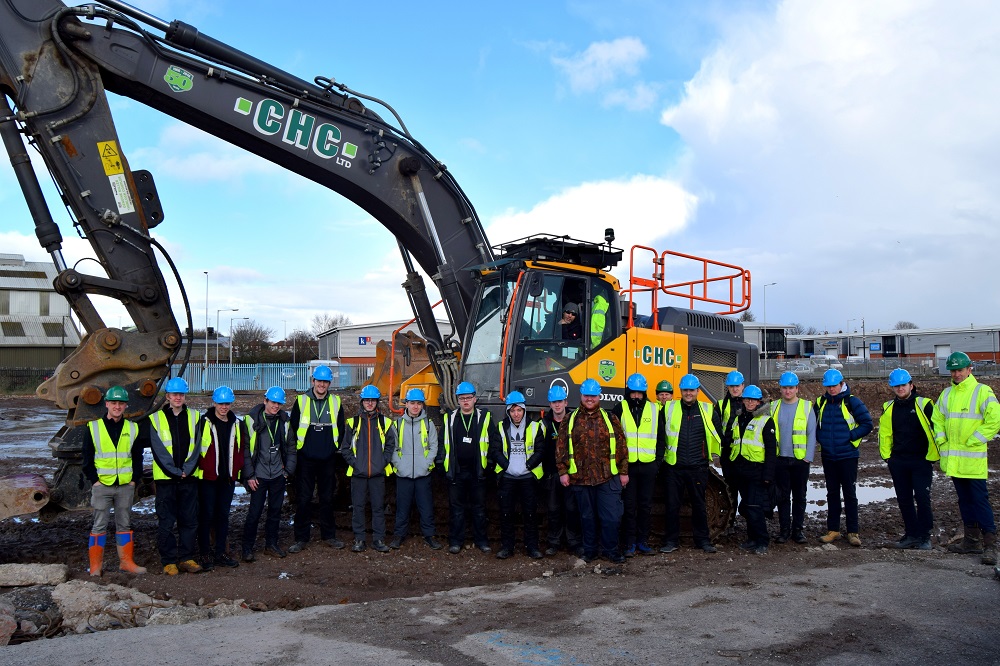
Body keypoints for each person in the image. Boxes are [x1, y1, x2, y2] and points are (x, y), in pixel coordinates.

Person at [932, 352, 1000, 565]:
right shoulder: (947, 394)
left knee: (980, 500)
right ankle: (971, 541)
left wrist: (974, 440)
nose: (956, 374)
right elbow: (938, 419)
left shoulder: (982, 391)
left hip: (972, 459)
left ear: (970, 369)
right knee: (964, 500)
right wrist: (942, 442)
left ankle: (990, 544)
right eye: (953, 370)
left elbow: (994, 419)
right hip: (954, 460)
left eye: (960, 370)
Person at [555, 378, 629, 563]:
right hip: (580, 478)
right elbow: (561, 447)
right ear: (581, 395)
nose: (590, 399)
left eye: (593, 395)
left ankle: (610, 550)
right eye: (587, 395)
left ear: (599, 396)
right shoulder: (570, 419)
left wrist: (623, 471)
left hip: (607, 477)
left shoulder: (610, 418)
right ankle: (590, 551)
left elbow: (621, 446)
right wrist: (563, 471)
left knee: (611, 517)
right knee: (587, 518)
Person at [83, 385, 146, 576]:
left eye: (121, 403)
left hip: (125, 486)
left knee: (124, 524)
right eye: (114, 403)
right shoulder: (94, 428)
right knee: (98, 525)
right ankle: (96, 567)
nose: (117, 407)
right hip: (102, 486)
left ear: (126, 406)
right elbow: (86, 457)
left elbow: (137, 457)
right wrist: (94, 480)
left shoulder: (132, 428)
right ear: (107, 404)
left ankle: (126, 563)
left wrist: (134, 480)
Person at [144, 377, 202, 575]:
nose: (178, 397)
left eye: (181, 394)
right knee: (166, 521)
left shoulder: (195, 417)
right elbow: (159, 450)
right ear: (167, 396)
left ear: (185, 396)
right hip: (166, 480)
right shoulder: (156, 419)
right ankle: (168, 561)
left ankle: (186, 557)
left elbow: (197, 447)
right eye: (174, 394)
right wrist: (176, 472)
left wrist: (188, 470)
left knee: (189, 520)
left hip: (189, 478)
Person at [287, 365, 347, 553]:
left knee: (327, 498)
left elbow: (341, 428)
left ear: (329, 383)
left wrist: (332, 449)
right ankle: (301, 538)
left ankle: (329, 535)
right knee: (304, 499)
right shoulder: (301, 401)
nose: (322, 384)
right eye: (319, 381)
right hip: (306, 459)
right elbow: (294, 427)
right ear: (313, 381)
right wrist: (301, 451)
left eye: (325, 382)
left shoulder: (336, 402)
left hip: (327, 459)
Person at [660, 374, 722, 554]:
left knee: (699, 505)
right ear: (681, 391)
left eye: (692, 390)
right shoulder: (669, 408)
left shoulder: (708, 410)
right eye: (685, 390)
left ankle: (702, 540)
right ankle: (671, 541)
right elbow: (660, 435)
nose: (688, 393)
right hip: (674, 466)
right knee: (672, 505)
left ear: (697, 391)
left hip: (698, 466)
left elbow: (718, 434)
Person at [815, 369, 873, 547]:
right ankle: (833, 530)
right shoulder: (820, 402)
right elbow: (813, 424)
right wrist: (821, 438)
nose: (831, 389)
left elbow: (867, 424)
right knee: (832, 493)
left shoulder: (852, 401)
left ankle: (852, 532)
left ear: (841, 384)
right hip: (828, 456)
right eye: (828, 386)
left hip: (847, 455)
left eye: (834, 386)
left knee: (849, 494)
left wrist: (850, 436)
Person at [879, 369, 936, 551]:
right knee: (904, 499)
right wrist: (888, 457)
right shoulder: (888, 407)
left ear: (911, 385)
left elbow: (936, 431)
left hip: (921, 461)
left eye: (903, 385)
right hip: (898, 461)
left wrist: (932, 456)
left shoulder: (925, 404)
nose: (900, 389)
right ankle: (911, 534)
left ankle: (925, 536)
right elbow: (885, 433)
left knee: (922, 497)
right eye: (896, 386)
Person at [439, 381, 496, 554]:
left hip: (477, 472)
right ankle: (456, 541)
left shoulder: (484, 418)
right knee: (456, 510)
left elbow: (493, 442)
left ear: (474, 399)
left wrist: (489, 466)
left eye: (468, 398)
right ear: (457, 400)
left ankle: (481, 541)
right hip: (456, 472)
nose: (465, 401)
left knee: (479, 509)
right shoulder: (449, 418)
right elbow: (443, 444)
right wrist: (443, 466)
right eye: (462, 398)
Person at [197, 385, 249, 570]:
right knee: (206, 516)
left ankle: (220, 553)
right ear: (215, 403)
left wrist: (238, 472)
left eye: (227, 404)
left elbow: (240, 450)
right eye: (221, 403)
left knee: (223, 516)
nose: (224, 407)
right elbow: (197, 450)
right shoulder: (204, 422)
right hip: (208, 479)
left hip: (227, 479)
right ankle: (204, 554)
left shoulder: (237, 424)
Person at [612, 373, 664, 557]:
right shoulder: (620, 408)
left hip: (648, 466)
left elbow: (660, 439)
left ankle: (643, 541)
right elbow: (615, 441)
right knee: (629, 505)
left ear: (644, 393)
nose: (636, 396)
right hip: (629, 468)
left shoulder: (653, 409)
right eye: (633, 392)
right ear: (628, 392)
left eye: (639, 393)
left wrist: (657, 462)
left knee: (645, 505)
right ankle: (629, 543)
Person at [241, 386, 295, 562]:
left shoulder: (284, 422)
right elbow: (245, 450)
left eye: (279, 403)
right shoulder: (251, 421)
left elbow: (291, 448)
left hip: (277, 476)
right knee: (254, 513)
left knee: (275, 512)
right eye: (273, 402)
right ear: (265, 401)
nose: (276, 406)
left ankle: (271, 545)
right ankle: (247, 548)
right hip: (259, 476)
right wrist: (249, 475)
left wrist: (287, 471)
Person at [341, 385, 396, 553]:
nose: (370, 403)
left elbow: (390, 446)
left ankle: (378, 539)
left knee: (378, 508)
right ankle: (359, 539)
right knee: (358, 508)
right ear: (362, 402)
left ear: (377, 402)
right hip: (359, 474)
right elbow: (345, 448)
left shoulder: (385, 423)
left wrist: (382, 463)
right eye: (367, 400)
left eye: (372, 401)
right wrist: (356, 464)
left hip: (377, 474)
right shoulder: (353, 423)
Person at [490, 391, 544, 559]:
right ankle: (507, 547)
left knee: (530, 514)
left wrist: (528, 465)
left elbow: (540, 451)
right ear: (508, 411)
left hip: (528, 478)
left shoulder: (536, 427)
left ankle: (532, 547)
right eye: (512, 411)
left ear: (524, 410)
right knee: (506, 514)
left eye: (519, 410)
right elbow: (495, 451)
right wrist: (507, 466)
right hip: (508, 478)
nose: (516, 414)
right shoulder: (500, 427)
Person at [390, 388, 441, 550]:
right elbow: (392, 448)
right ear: (406, 404)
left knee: (426, 508)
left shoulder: (428, 424)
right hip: (403, 474)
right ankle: (399, 536)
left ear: (422, 406)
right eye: (412, 403)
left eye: (419, 403)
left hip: (423, 474)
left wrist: (426, 464)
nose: (415, 407)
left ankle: (429, 536)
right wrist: (399, 464)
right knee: (402, 508)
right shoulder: (397, 424)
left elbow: (434, 446)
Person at [728, 385, 777, 554]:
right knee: (748, 507)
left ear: (759, 401)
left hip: (757, 471)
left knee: (755, 507)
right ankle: (752, 539)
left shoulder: (765, 421)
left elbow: (771, 451)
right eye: (747, 399)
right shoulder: (738, 418)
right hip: (741, 471)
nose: (749, 402)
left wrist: (768, 475)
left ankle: (762, 541)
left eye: (753, 400)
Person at [770, 372, 816, 545]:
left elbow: (811, 433)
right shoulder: (773, 406)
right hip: (780, 459)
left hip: (799, 460)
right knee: (782, 497)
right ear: (780, 389)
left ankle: (798, 530)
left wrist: (807, 457)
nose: (788, 391)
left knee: (799, 496)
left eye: (791, 388)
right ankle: (784, 531)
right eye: (784, 388)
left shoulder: (806, 406)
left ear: (797, 388)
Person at [539, 385, 582, 556]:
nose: (557, 405)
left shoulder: (574, 421)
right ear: (550, 404)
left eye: (560, 401)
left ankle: (574, 542)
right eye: (554, 402)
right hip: (552, 474)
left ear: (566, 402)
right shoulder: (544, 424)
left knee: (572, 510)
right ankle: (554, 543)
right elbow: (540, 450)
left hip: (571, 474)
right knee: (553, 510)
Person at [714, 371, 745, 534]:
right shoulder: (720, 405)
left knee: (747, 489)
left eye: (737, 386)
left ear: (743, 386)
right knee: (731, 489)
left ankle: (750, 523)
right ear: (728, 387)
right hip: (728, 452)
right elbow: (715, 427)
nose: (734, 389)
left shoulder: (751, 403)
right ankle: (730, 523)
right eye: (732, 386)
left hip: (746, 454)